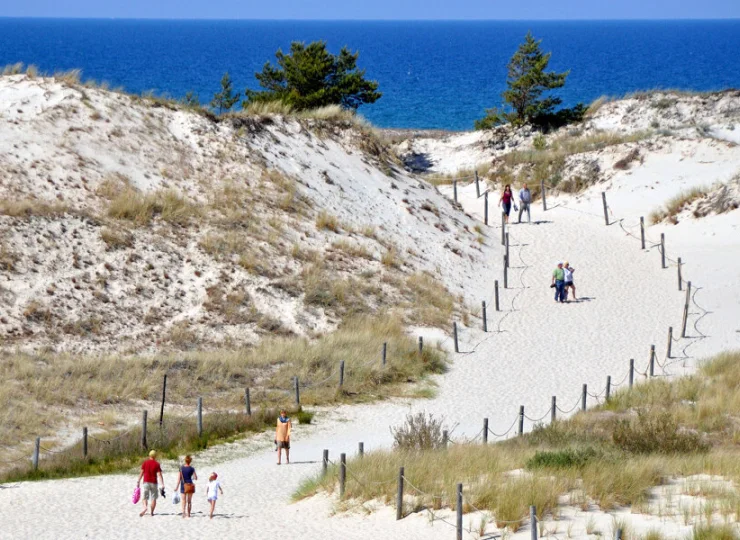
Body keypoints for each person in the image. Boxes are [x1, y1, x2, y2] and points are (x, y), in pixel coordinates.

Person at [136, 450, 164, 517]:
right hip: (154, 482)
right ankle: (151, 513)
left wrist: (138, 481)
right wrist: (162, 484)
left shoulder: (145, 463)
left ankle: (145, 507)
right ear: (155, 456)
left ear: (149, 455)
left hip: (146, 482)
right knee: (153, 498)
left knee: (145, 497)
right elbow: (159, 474)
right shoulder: (157, 464)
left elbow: (141, 473)